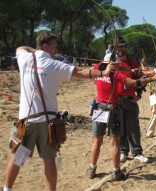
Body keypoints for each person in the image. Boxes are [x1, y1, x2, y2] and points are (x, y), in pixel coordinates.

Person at [3, 31, 117, 191]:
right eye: (54, 47)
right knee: (49, 160)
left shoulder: (24, 58)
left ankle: (7, 189)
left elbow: (20, 48)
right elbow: (81, 73)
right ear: (45, 46)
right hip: (47, 123)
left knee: (17, 158)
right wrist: (104, 73)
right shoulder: (53, 64)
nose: (56, 51)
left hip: (26, 121)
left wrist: (36, 51)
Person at [86, 53, 156, 180]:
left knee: (97, 141)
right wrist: (153, 78)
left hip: (99, 108)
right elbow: (133, 82)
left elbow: (98, 70)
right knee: (115, 143)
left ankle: (92, 168)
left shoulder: (96, 72)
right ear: (113, 65)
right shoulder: (116, 74)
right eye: (117, 65)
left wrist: (126, 69)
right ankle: (116, 172)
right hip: (113, 109)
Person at [115, 37, 152, 163]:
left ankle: (137, 152)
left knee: (134, 127)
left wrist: (139, 94)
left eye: (122, 46)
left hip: (130, 100)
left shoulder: (133, 62)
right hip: (116, 100)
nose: (120, 49)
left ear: (125, 47)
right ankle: (123, 151)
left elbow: (141, 80)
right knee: (120, 128)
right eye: (118, 46)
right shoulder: (112, 63)